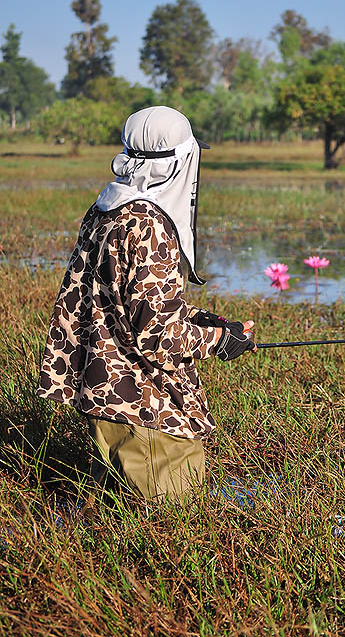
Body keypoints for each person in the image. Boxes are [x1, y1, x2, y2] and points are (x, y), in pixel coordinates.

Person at [37, 106, 255, 501]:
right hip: (146, 407)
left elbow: (117, 302)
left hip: (107, 395)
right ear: (180, 161)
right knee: (172, 528)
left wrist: (207, 322)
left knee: (118, 520)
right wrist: (220, 342)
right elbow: (159, 338)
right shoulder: (150, 225)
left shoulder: (106, 211)